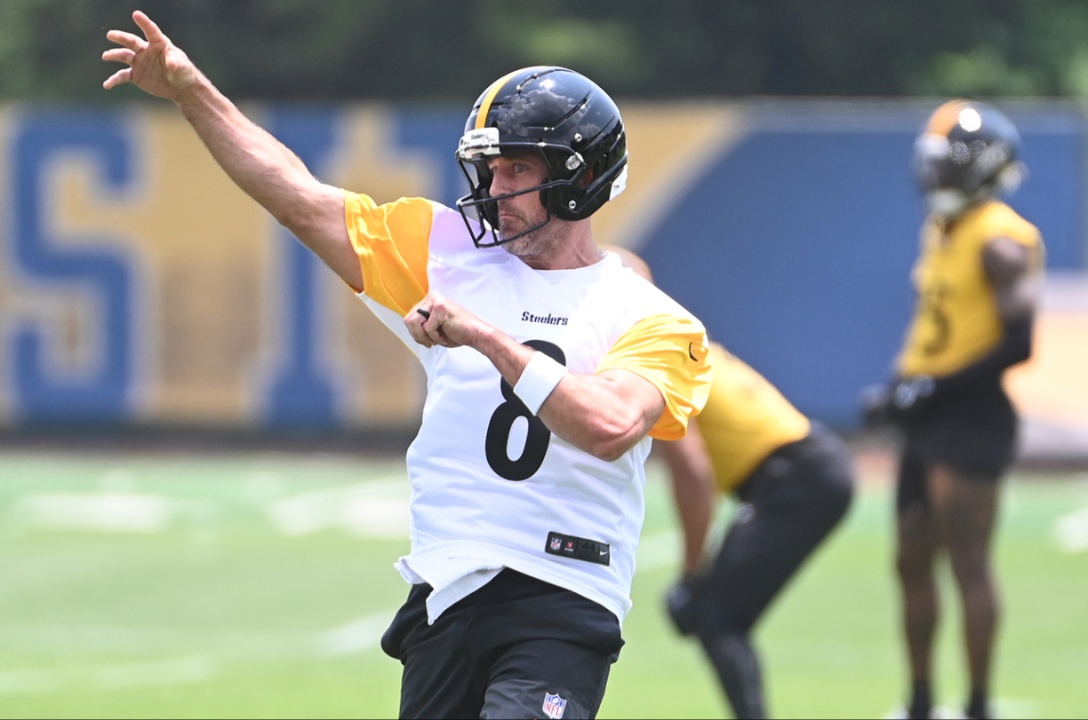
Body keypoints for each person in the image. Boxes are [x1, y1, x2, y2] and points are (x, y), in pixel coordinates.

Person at [103, 12, 714, 719]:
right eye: (489, 167)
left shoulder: (655, 320)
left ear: (578, 178)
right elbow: (300, 200)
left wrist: (485, 337)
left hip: (560, 597)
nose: (493, 187)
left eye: (517, 168)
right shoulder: (448, 251)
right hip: (445, 594)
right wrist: (190, 92)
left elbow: (609, 424)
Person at [607, 247, 854, 719]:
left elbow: (693, 472)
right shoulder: (677, 336)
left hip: (796, 476)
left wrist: (692, 574)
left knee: (718, 616)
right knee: (718, 616)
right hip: (804, 467)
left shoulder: (653, 358)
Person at [862, 100, 1044, 720]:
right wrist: (898, 386)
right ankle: (918, 701)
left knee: (968, 564)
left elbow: (1019, 345)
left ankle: (976, 705)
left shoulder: (1001, 240)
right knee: (910, 560)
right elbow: (936, 328)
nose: (936, 177)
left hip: (973, 417)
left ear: (979, 168)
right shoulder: (944, 229)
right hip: (930, 417)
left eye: (947, 165)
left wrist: (932, 389)